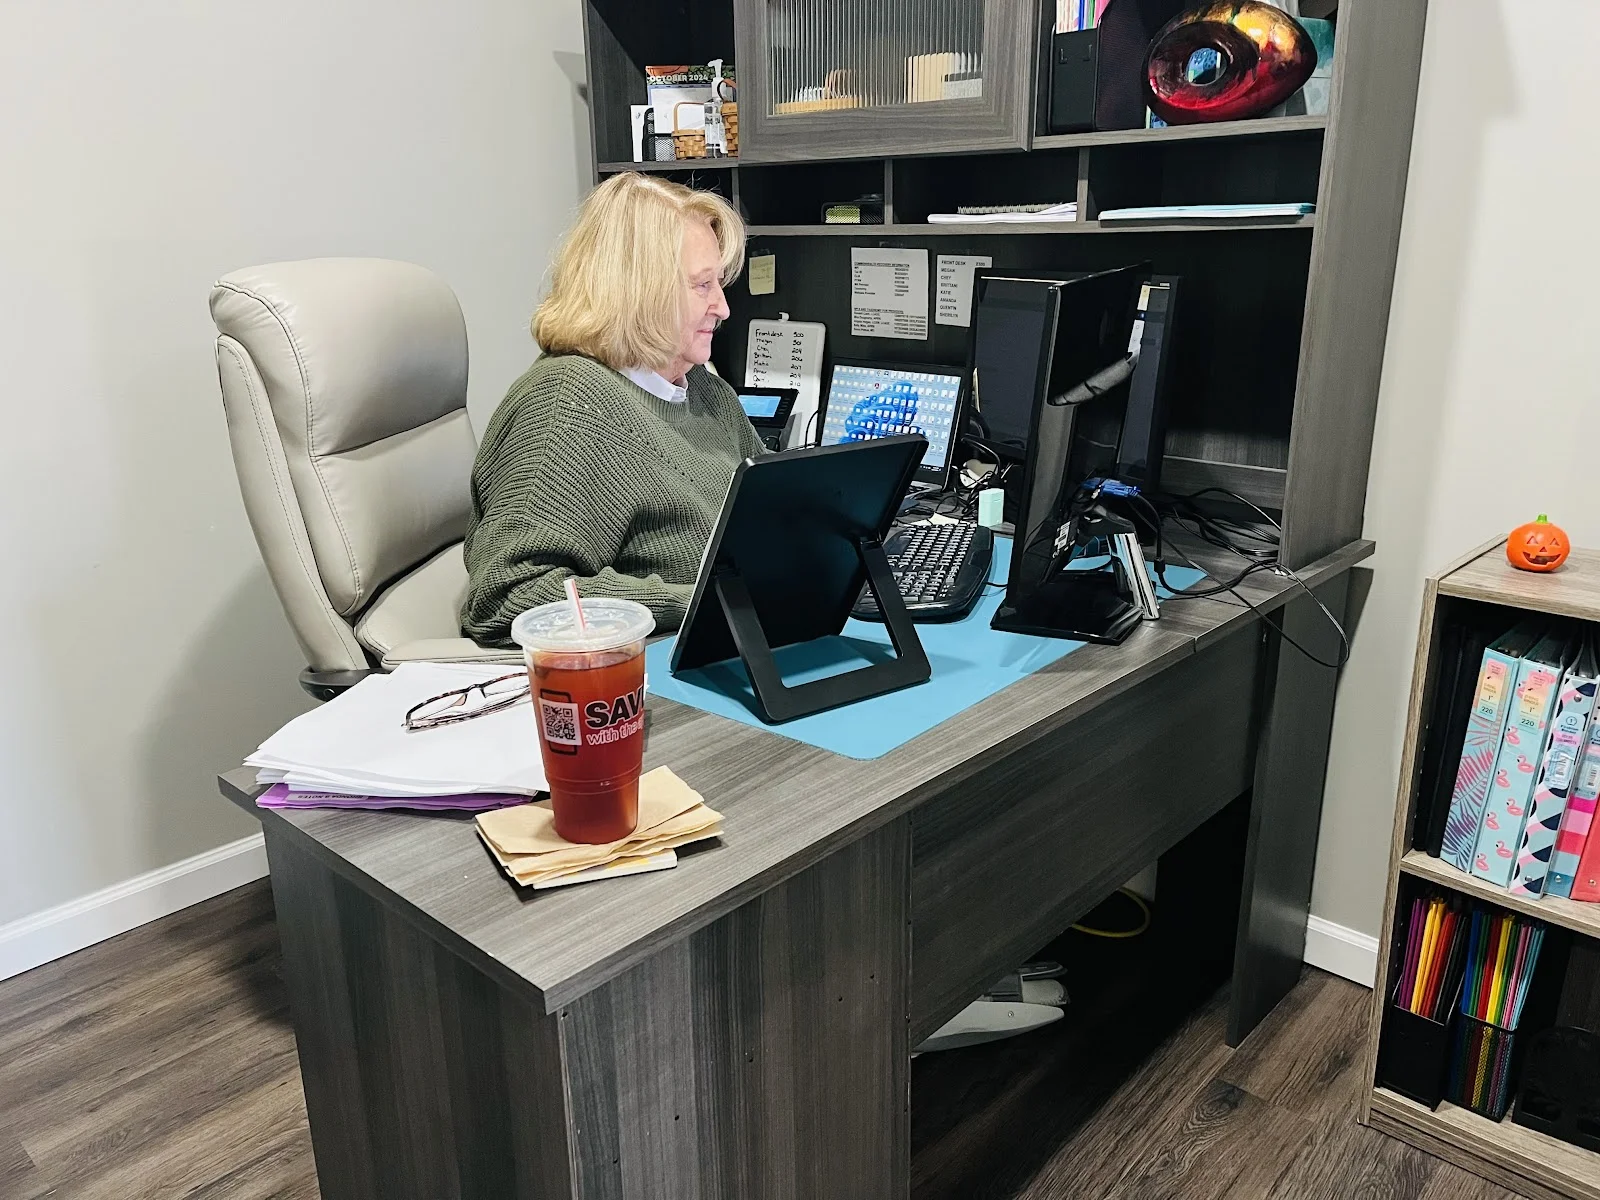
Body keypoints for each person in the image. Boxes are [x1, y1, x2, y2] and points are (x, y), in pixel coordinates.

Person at [461, 173, 763, 645]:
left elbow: (770, 510)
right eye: (702, 285)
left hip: (750, 636)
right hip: (654, 667)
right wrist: (700, 603)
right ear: (641, 290)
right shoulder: (567, 403)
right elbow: (506, 595)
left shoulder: (703, 390)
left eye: (718, 284)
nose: (723, 308)